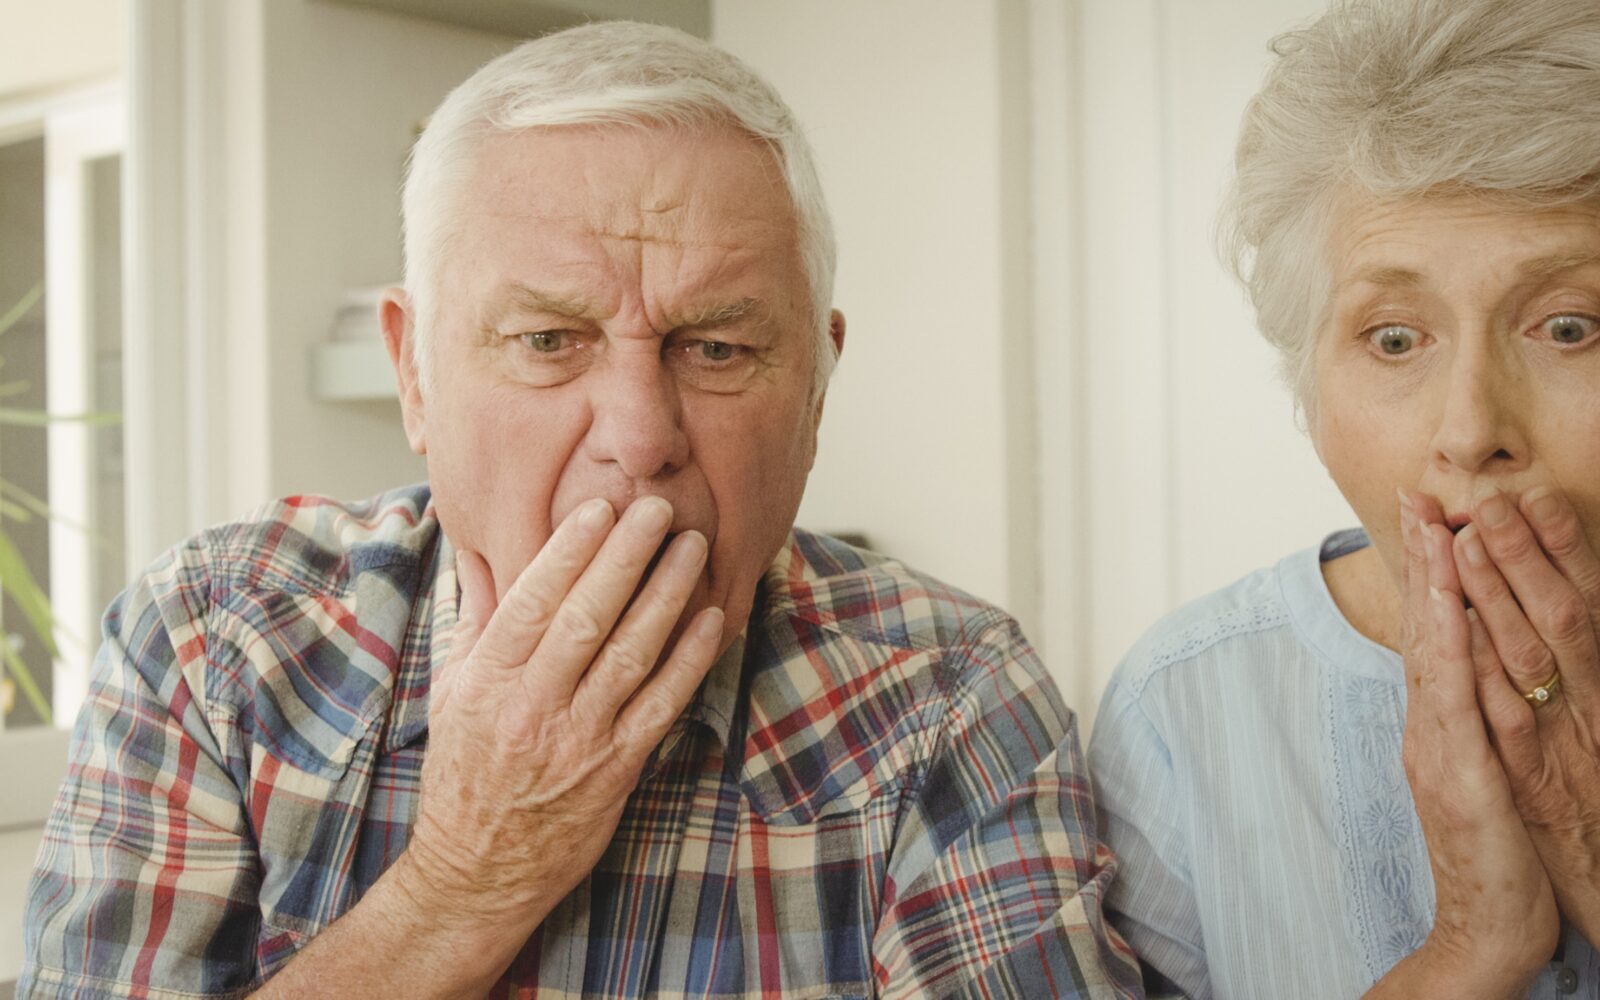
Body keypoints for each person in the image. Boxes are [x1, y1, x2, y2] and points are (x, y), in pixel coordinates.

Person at [21, 20, 1141, 1000]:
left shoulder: (953, 698)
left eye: (717, 347)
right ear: (415, 375)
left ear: (814, 390)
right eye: (549, 341)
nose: (640, 435)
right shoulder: (214, 642)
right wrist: (464, 879)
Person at [1088, 0, 1600, 997]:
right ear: (1310, 389)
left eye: (1569, 326)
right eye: (1395, 338)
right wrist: (1467, 950)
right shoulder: (1182, 707)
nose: (1469, 429)